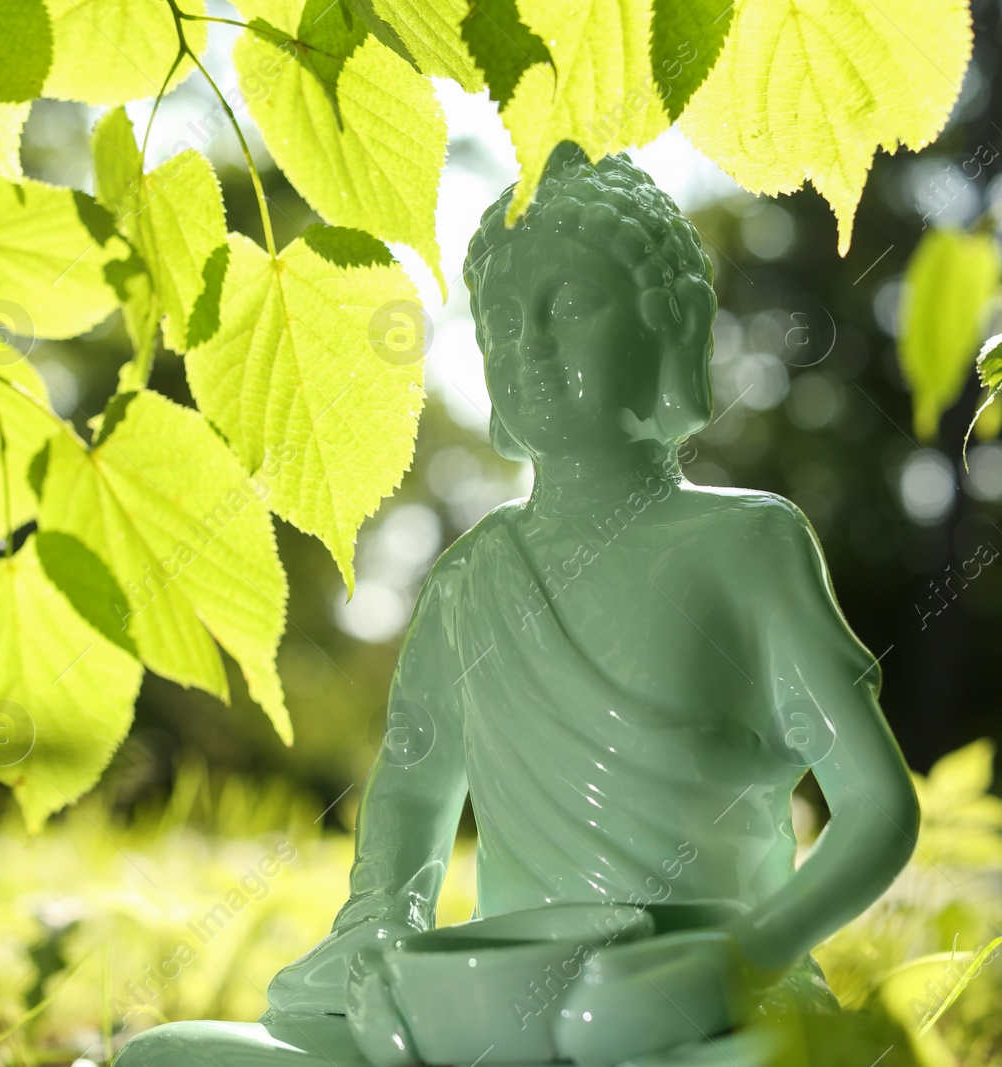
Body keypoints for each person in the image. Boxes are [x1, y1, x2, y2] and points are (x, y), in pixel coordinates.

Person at [115, 145, 919, 1067]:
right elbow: (414, 789)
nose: (529, 344)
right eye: (502, 318)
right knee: (171, 1055)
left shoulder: (748, 546)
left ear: (674, 323)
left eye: (572, 305)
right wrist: (381, 934)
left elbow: (877, 806)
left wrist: (741, 956)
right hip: (501, 1014)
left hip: (708, 1011)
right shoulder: (469, 580)